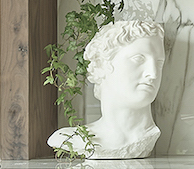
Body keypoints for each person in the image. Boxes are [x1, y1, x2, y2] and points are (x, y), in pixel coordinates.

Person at [48, 17, 166, 159]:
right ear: (102, 64)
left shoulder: (149, 136)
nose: (153, 73)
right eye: (138, 59)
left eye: (159, 63)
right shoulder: (70, 138)